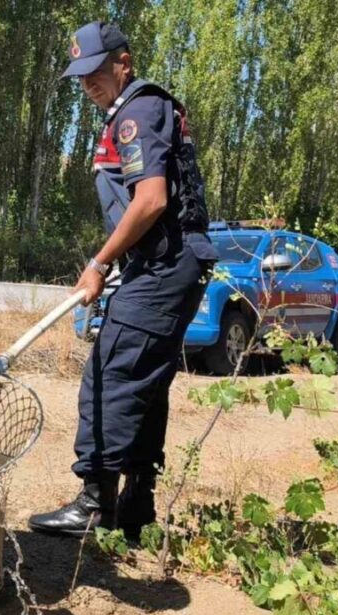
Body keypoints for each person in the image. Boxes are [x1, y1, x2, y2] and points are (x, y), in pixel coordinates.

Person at [28, 22, 219, 543]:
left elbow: (151, 199)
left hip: (165, 265)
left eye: (95, 72)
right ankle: (136, 507)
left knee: (110, 373)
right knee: (143, 380)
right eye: (80, 77)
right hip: (165, 263)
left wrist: (99, 261)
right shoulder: (139, 109)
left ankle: (94, 503)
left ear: (123, 62)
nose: (88, 84)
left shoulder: (135, 111)